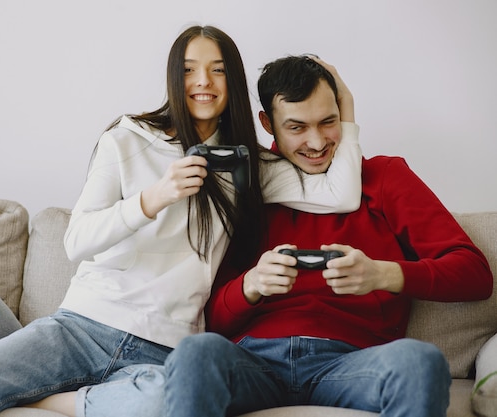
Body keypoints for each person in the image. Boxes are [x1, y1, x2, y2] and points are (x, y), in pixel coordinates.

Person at [0, 28, 361, 417]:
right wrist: (154, 197)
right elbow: (77, 241)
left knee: (175, 400)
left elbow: (339, 194)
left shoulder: (249, 164)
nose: (203, 81)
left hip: (166, 349)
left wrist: (348, 106)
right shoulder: (127, 138)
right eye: (189, 69)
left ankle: (60, 402)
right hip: (81, 327)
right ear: (172, 77)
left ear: (232, 81)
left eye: (218, 69)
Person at [162, 55, 494, 417]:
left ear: (344, 116)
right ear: (267, 123)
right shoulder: (244, 184)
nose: (317, 142)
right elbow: (205, 315)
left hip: (353, 363)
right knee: (194, 353)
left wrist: (383, 274)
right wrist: (251, 285)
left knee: (421, 360)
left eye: (328, 122)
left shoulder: (385, 177)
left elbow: (474, 274)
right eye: (297, 127)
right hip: (253, 361)